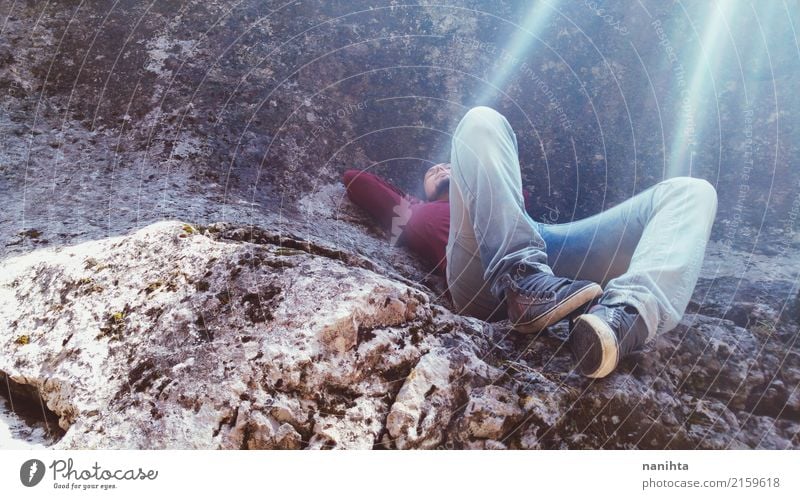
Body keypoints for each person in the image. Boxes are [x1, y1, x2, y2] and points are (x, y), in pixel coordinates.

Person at [343, 106, 717, 379]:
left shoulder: (503, 196)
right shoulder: (411, 211)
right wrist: (425, 192)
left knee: (692, 192)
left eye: (447, 166)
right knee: (478, 120)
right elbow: (355, 180)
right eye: (432, 170)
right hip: (482, 278)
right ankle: (520, 280)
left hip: (546, 258)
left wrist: (472, 174)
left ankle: (623, 319)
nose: (440, 169)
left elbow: (506, 198)